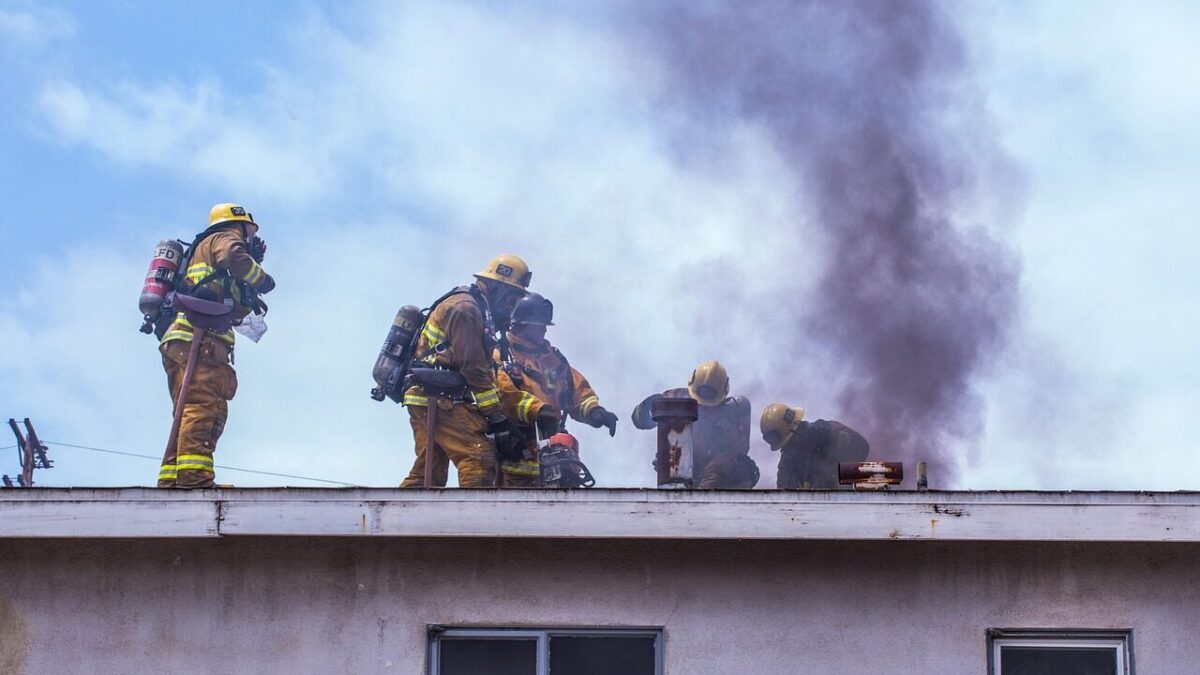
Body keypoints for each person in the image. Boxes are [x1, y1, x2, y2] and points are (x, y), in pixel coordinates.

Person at [399, 254, 546, 488]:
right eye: (511, 298)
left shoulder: (473, 306)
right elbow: (473, 368)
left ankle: (404, 519)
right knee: (478, 458)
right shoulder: (465, 309)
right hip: (440, 399)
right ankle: (474, 522)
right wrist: (496, 417)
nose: (511, 306)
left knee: (428, 472)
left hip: (428, 396)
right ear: (496, 286)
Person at [158, 203, 275, 487]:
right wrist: (262, 278)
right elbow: (233, 256)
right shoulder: (225, 237)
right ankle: (193, 479)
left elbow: (233, 300)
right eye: (249, 230)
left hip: (181, 339)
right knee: (204, 409)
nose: (250, 236)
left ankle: (171, 479)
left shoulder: (203, 248)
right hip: (202, 341)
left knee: (185, 410)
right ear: (240, 225)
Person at [493, 292, 618, 486]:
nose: (544, 330)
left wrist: (595, 412)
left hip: (554, 454)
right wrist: (539, 411)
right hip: (517, 453)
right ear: (520, 325)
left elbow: (575, 391)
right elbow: (506, 395)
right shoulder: (501, 356)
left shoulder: (553, 359)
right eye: (539, 326)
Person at [631, 360, 758, 488]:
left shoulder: (725, 426)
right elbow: (638, 421)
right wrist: (645, 409)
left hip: (704, 476)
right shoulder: (675, 398)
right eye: (698, 401)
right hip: (674, 468)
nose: (702, 408)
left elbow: (718, 472)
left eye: (708, 405)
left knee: (743, 471)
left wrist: (697, 500)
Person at [759, 403, 869, 488]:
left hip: (846, 506)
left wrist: (828, 442)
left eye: (790, 442)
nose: (789, 448)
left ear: (796, 431)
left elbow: (862, 448)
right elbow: (783, 498)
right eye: (786, 445)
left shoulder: (827, 431)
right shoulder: (788, 462)